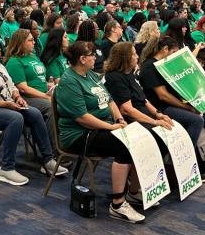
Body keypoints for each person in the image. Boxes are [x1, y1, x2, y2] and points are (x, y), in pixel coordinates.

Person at [54, 41, 145, 223]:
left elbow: (110, 101)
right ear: (82, 59)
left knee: (139, 137)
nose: (95, 57)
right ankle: (118, 204)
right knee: (125, 145)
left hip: (102, 127)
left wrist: (119, 119)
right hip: (79, 135)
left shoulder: (90, 75)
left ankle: (133, 192)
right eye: (92, 55)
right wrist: (112, 127)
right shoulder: (69, 81)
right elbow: (82, 118)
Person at [0, 36, 67, 185]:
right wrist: (5, 104)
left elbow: (11, 87)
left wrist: (18, 97)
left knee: (34, 113)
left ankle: (48, 160)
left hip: (4, 104)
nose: (0, 49)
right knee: (15, 118)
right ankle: (6, 168)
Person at [138, 36, 205, 171]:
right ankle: (185, 163)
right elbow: (163, 96)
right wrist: (189, 107)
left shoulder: (168, 65)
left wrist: (202, 103)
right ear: (165, 49)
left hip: (176, 103)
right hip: (161, 108)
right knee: (196, 120)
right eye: (174, 52)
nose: (175, 57)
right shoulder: (149, 67)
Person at [4, 29, 53, 132]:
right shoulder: (14, 61)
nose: (34, 42)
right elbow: (23, 89)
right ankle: (52, 144)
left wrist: (49, 86)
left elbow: (39, 77)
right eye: (30, 40)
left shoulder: (33, 56)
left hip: (42, 93)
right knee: (51, 106)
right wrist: (46, 96)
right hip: (26, 98)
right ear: (21, 43)